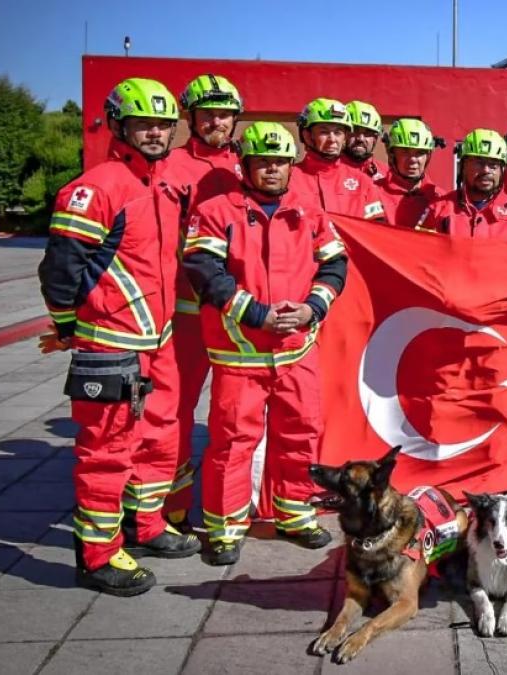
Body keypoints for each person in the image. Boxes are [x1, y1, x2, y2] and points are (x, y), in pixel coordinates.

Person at [38, 77, 200, 596]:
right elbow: (60, 268)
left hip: (159, 341)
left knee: (159, 440)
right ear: (118, 125)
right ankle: (97, 556)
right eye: (143, 123)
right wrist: (66, 326)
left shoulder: (161, 183)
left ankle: (146, 526)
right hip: (111, 343)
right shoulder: (98, 185)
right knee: (107, 451)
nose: (155, 133)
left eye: (162, 124)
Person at [183, 122, 346, 564]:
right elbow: (203, 270)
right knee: (234, 441)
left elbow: (334, 265)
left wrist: (314, 307)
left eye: (279, 162)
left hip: (297, 350)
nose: (271, 169)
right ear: (245, 164)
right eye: (262, 161)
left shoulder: (308, 210)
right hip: (240, 352)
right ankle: (224, 529)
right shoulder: (216, 211)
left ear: (291, 165)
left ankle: (294, 513)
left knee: (301, 432)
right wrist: (255, 313)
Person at [162, 73, 246, 533]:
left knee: (237, 417)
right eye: (208, 114)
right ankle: (168, 508)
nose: (217, 121)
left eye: (225, 114)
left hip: (244, 316)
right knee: (175, 412)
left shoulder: (248, 163)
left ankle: (236, 502)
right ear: (190, 118)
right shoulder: (171, 167)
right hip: (189, 315)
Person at [416, 128, 507, 244]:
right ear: (463, 166)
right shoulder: (438, 209)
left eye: (493, 164)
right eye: (478, 163)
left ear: (502, 170)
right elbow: (421, 255)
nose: (486, 170)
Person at [291, 97, 386, 221]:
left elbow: (375, 232)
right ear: (307, 135)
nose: (332, 139)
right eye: (324, 132)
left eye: (338, 132)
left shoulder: (363, 182)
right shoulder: (290, 178)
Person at [375, 118, 446, 228]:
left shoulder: (441, 199)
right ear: (391, 154)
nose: (413, 159)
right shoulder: (372, 193)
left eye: (420, 152)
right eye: (405, 151)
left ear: (428, 157)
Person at [344, 100, 384, 181]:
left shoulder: (386, 175)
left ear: (375, 139)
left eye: (368, 133)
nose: (360, 139)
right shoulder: (328, 171)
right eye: (354, 130)